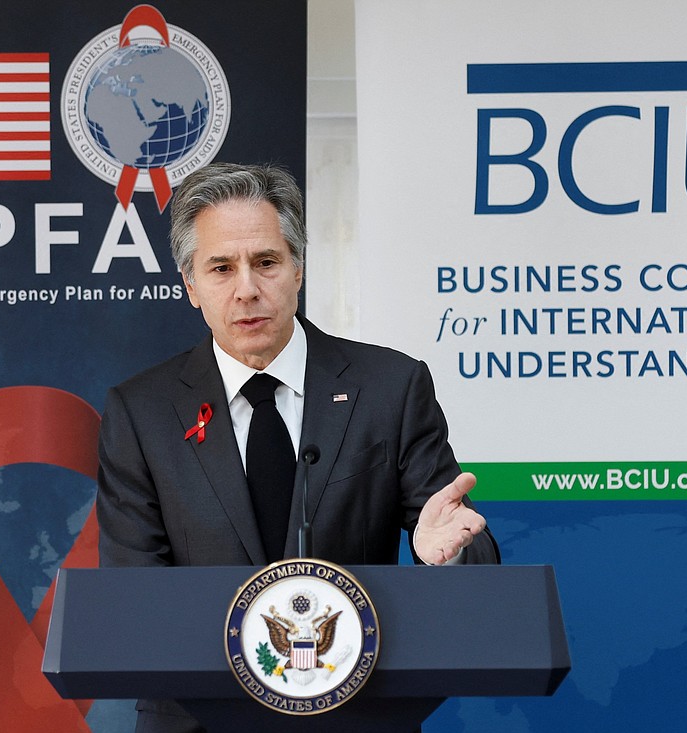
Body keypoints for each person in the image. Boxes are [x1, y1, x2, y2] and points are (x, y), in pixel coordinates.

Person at [96, 162, 500, 733]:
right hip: (198, 721)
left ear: (298, 270)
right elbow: (132, 594)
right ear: (190, 286)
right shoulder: (141, 413)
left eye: (266, 262)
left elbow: (468, 551)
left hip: (356, 715)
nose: (247, 288)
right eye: (221, 268)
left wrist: (448, 556)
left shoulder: (390, 388)